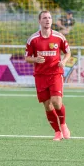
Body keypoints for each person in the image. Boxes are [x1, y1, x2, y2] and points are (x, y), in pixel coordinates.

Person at [25, 10, 72, 141]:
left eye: (50, 18)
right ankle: (57, 132)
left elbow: (68, 52)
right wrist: (35, 59)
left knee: (57, 102)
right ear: (39, 21)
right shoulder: (33, 39)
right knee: (47, 105)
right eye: (45, 18)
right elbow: (27, 57)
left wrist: (63, 61)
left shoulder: (59, 36)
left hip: (56, 74)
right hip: (40, 76)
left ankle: (63, 124)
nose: (47, 20)